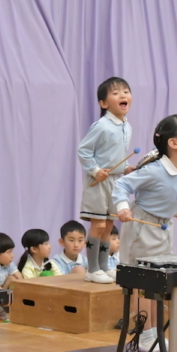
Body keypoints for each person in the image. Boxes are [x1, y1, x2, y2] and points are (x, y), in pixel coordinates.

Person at [113, 114, 177, 352]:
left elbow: (169, 196)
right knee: (144, 283)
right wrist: (122, 207)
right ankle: (145, 335)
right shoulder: (154, 170)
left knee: (156, 283)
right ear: (174, 143)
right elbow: (121, 185)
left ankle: (155, 333)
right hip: (142, 228)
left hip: (164, 228)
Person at [77, 77, 134, 284]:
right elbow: (83, 150)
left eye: (126, 92)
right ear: (103, 103)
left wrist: (126, 168)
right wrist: (95, 170)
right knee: (99, 225)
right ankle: (92, 269)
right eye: (116, 93)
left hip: (116, 181)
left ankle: (104, 267)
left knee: (109, 226)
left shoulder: (127, 126)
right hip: (99, 182)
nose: (123, 96)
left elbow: (117, 155)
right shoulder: (101, 125)